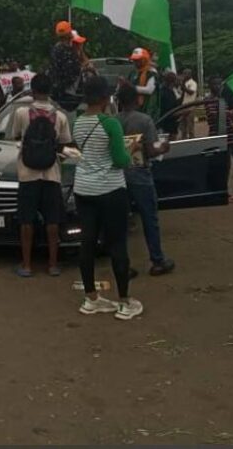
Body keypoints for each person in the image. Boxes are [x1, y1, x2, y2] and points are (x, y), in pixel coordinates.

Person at [72, 77, 143, 320]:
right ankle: (125, 301)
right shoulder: (111, 123)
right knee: (117, 244)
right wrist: (133, 149)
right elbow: (120, 161)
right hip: (110, 190)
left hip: (83, 188)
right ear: (105, 98)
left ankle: (91, 299)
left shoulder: (78, 122)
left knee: (87, 243)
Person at [7, 74, 73, 277]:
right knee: (52, 221)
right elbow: (63, 144)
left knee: (26, 221)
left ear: (32, 90)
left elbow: (15, 136)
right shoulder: (60, 116)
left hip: (27, 174)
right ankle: (53, 265)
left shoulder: (21, 112)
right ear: (50, 91)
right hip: (51, 174)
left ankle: (27, 265)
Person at [117, 83, 175, 276]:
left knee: (122, 222)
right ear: (137, 100)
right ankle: (157, 260)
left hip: (119, 176)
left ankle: (123, 265)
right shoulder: (144, 120)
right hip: (140, 174)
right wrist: (163, 148)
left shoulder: (114, 121)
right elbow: (150, 151)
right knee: (149, 218)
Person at [204, 76, 233, 198]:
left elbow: (225, 116)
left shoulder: (221, 100)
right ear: (210, 86)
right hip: (218, 136)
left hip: (227, 135)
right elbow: (216, 117)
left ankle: (222, 191)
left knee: (225, 166)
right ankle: (221, 192)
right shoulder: (209, 100)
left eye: (220, 84)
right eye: (215, 84)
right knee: (221, 165)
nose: (218, 87)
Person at [49, 20, 82, 107]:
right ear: (69, 34)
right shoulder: (69, 52)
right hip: (69, 98)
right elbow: (73, 73)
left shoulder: (55, 50)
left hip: (56, 95)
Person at [159, 70, 183, 138]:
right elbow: (170, 112)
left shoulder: (167, 91)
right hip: (168, 127)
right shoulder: (167, 93)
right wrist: (183, 112)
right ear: (173, 81)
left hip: (167, 125)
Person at [179, 68, 199, 139]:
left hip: (190, 106)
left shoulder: (193, 83)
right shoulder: (185, 83)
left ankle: (191, 138)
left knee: (190, 124)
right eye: (183, 73)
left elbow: (191, 92)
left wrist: (183, 87)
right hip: (183, 106)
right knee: (183, 124)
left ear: (190, 74)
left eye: (185, 73)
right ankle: (183, 138)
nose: (184, 75)